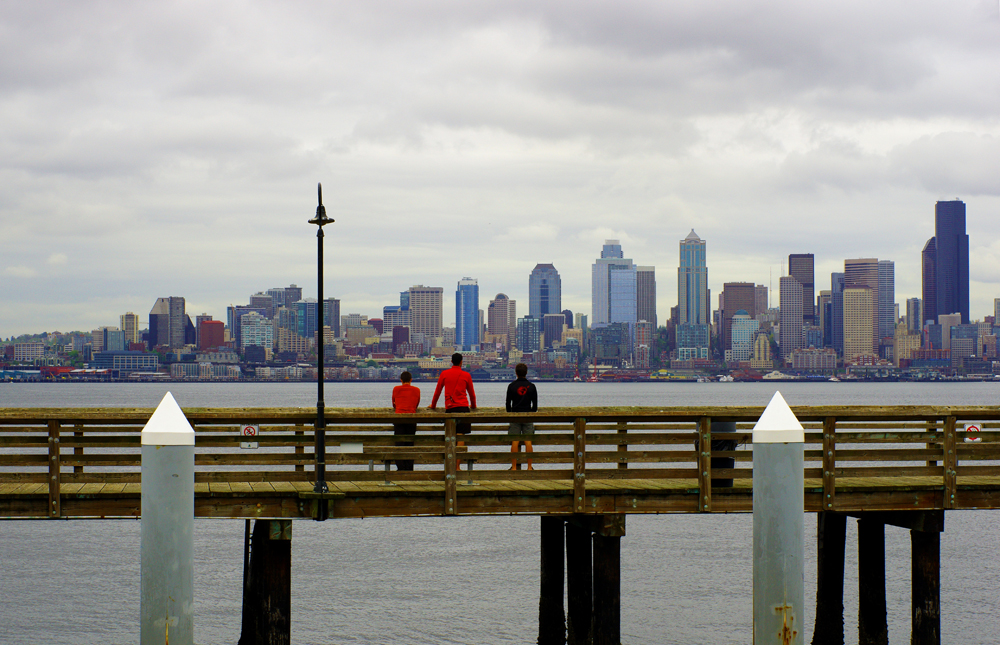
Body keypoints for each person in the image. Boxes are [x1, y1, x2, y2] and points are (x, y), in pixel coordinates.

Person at [429, 353, 477, 462]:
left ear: (451, 362)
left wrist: (433, 405)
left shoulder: (444, 374)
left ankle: (451, 463)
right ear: (461, 362)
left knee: (451, 436)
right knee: (460, 436)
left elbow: (437, 392)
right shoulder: (466, 375)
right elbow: (472, 394)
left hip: (450, 408)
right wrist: (473, 406)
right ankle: (457, 466)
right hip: (463, 408)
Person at [506, 363, 537, 470]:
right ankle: (529, 467)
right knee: (528, 441)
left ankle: (514, 467)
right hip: (527, 416)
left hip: (515, 416)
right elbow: (535, 406)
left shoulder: (511, 386)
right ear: (526, 373)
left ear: (516, 373)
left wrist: (510, 414)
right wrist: (531, 413)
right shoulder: (532, 386)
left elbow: (508, 404)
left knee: (515, 441)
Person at [391, 371, 420, 471]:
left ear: (401, 380)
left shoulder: (396, 389)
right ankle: (409, 468)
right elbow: (416, 404)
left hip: (399, 418)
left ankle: (401, 468)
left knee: (399, 444)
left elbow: (394, 404)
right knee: (410, 444)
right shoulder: (417, 390)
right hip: (411, 419)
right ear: (411, 380)